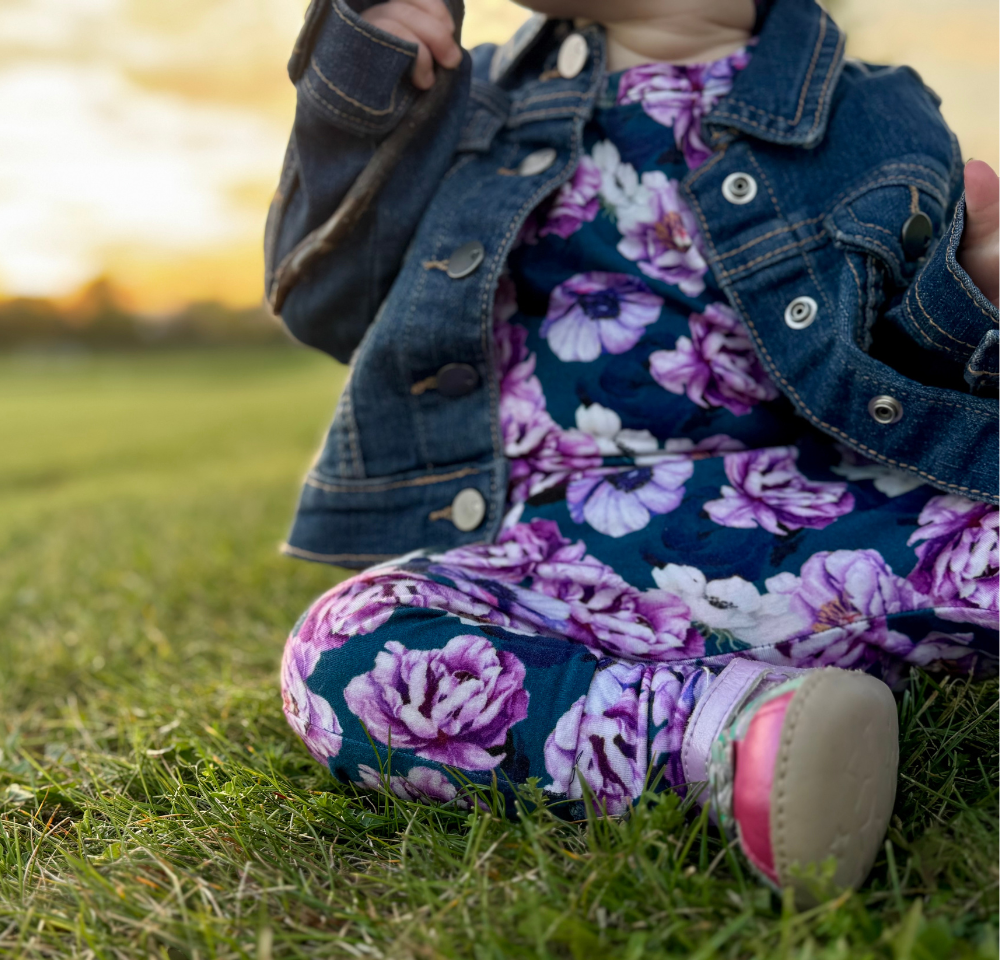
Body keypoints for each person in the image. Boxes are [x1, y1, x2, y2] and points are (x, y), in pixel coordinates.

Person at [266, 0, 999, 900]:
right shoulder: (475, 99)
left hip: (816, 531)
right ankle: (734, 734)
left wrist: (976, 303)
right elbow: (325, 300)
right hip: (561, 555)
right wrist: (363, 76)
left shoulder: (874, 112)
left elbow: (909, 366)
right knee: (341, 649)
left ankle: (765, 689)